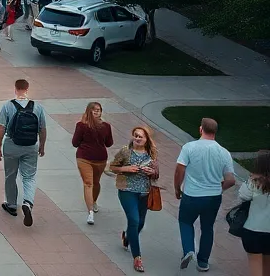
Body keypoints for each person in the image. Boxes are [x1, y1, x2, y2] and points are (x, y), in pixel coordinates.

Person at [175, 117, 237, 271]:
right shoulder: (224, 152)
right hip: (213, 197)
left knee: (185, 222)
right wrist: (217, 188)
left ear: (200, 129)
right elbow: (231, 180)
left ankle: (188, 249)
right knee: (207, 227)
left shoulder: (189, 147)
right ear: (215, 132)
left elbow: (179, 170)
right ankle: (203, 262)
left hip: (192, 195)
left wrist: (177, 188)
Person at [0, 78, 47, 227]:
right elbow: (42, 129)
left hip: (12, 144)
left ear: (15, 89)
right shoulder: (37, 107)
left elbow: (0, 129)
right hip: (31, 145)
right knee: (29, 177)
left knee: (10, 175)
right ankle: (28, 202)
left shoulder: (8, 106)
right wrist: (41, 146)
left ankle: (11, 204)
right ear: (27, 89)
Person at [110, 125, 160, 273]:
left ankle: (127, 237)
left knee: (141, 223)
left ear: (147, 139)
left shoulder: (152, 153)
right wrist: (126, 169)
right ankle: (137, 258)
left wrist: (152, 172)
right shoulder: (125, 151)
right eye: (135, 135)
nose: (137, 138)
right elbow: (112, 167)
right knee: (134, 220)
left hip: (144, 192)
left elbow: (157, 173)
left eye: (140, 136)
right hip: (127, 191)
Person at [72, 101, 114, 224]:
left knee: (96, 183)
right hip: (84, 158)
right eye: (94, 109)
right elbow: (75, 143)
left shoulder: (106, 126)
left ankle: (94, 201)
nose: (96, 111)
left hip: (100, 159)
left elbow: (109, 143)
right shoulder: (81, 125)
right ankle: (90, 212)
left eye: (99, 110)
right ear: (88, 111)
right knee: (88, 183)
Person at [237, 149, 270, 276]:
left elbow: (242, 195)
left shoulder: (254, 182)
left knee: (255, 266)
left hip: (253, 230)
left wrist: (251, 178)